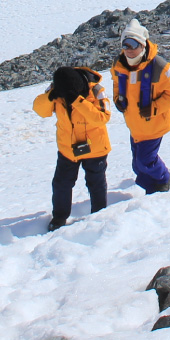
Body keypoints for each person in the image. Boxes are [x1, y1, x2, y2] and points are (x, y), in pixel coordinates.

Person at [109, 20, 170, 195]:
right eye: (125, 44)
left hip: (154, 125)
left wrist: (155, 108)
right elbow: (116, 83)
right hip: (135, 125)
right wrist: (117, 98)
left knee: (145, 161)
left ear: (142, 45)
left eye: (133, 44)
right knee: (138, 165)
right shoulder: (119, 65)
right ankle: (153, 189)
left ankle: (164, 180)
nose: (128, 48)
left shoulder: (159, 66)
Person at [34, 66, 112, 230]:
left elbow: (102, 117)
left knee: (95, 183)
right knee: (61, 183)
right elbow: (40, 110)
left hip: (95, 148)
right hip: (68, 150)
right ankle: (59, 218)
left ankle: (99, 215)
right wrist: (50, 97)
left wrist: (78, 101)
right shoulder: (57, 88)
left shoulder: (96, 90)